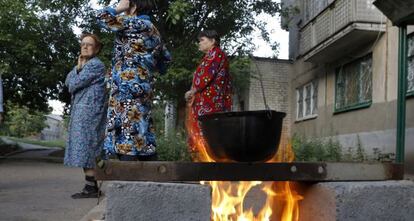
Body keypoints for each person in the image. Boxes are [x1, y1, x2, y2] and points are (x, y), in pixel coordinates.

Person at [97, 0, 170, 161]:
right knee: (142, 128)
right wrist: (146, 66)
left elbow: (102, 17)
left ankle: (127, 177)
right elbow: (165, 60)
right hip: (144, 86)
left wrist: (119, 7)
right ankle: (154, 175)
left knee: (126, 131)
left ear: (134, 7)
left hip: (127, 86)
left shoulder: (132, 22)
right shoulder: (154, 30)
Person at [64, 33, 107, 199]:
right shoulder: (84, 66)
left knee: (88, 150)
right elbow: (68, 81)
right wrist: (78, 68)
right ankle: (91, 186)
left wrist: (79, 70)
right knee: (85, 150)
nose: (85, 46)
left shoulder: (95, 65)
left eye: (89, 44)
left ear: (96, 49)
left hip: (89, 114)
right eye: (83, 44)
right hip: (83, 113)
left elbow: (73, 84)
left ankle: (92, 187)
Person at [185, 30, 232, 161]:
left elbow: (205, 77)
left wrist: (192, 92)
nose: (199, 43)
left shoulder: (216, 54)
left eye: (202, 40)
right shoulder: (209, 57)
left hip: (210, 105)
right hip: (206, 104)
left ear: (213, 41)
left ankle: (207, 170)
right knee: (205, 137)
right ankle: (204, 168)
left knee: (207, 136)